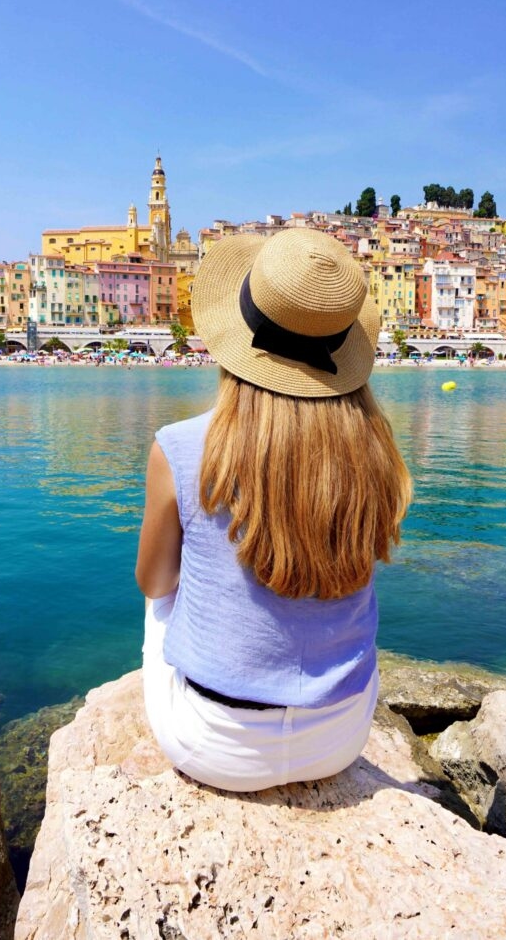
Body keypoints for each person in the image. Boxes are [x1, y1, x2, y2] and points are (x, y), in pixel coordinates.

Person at [135, 229, 411, 792]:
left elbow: (155, 582)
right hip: (341, 735)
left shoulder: (180, 446)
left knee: (162, 603)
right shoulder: (375, 448)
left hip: (213, 745)